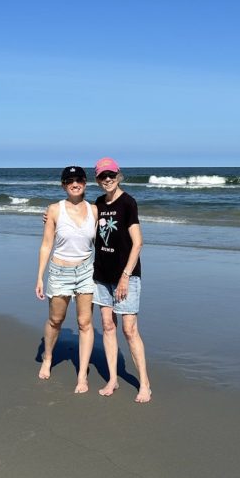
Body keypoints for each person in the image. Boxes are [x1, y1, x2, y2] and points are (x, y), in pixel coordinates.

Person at [93, 157, 152, 403]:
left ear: (118, 176)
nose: (107, 179)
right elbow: (82, 221)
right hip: (101, 276)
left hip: (125, 276)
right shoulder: (97, 202)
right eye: (102, 176)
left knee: (129, 329)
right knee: (108, 326)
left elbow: (138, 243)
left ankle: (145, 384)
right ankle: (113, 379)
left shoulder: (128, 203)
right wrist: (49, 218)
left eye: (111, 175)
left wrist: (126, 277)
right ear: (97, 179)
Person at [36, 166, 98, 393]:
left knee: (85, 323)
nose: (75, 183)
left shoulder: (95, 210)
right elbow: (46, 245)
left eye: (79, 179)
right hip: (59, 271)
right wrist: (40, 277)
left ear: (85, 182)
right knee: (56, 320)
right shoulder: (54, 210)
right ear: (63, 185)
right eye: (70, 180)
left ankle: (82, 375)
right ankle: (48, 357)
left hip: (86, 272)